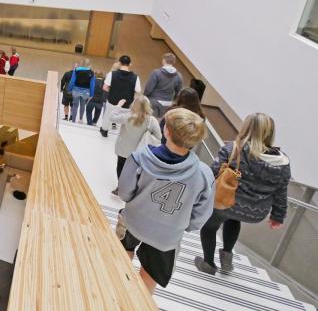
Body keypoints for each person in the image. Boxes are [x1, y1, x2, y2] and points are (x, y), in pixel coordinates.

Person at [118, 108, 214, 292]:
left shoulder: (140, 157)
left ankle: (116, 290)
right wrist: (184, 224)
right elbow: (200, 216)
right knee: (149, 278)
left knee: (121, 257)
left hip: (133, 222)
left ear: (166, 131)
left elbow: (124, 194)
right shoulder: (204, 174)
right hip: (167, 237)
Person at [195, 113, 291, 275]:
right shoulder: (282, 162)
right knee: (233, 219)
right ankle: (226, 259)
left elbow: (212, 172)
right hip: (255, 212)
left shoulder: (234, 149)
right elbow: (282, 191)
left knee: (210, 227)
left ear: (247, 128)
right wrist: (277, 216)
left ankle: (208, 264)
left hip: (225, 203)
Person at [109, 96, 161, 195]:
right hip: (139, 151)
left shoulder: (128, 116)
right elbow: (158, 136)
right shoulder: (151, 120)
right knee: (134, 171)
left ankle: (120, 187)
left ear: (134, 104)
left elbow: (112, 117)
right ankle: (132, 188)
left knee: (120, 167)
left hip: (123, 148)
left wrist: (118, 107)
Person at [100, 55, 141, 137]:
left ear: (119, 63)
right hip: (126, 103)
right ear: (130, 64)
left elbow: (105, 87)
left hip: (112, 100)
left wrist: (112, 91)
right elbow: (138, 91)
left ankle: (104, 131)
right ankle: (120, 134)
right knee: (123, 118)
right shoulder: (135, 77)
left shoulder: (112, 74)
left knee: (108, 116)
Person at [144, 53, 183, 118]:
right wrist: (173, 100)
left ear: (164, 60)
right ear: (173, 62)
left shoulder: (156, 73)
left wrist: (145, 95)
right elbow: (179, 92)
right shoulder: (179, 76)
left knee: (152, 122)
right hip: (168, 103)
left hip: (154, 102)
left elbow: (148, 89)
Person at [67, 59, 96, 123]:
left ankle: (73, 120)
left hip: (76, 90)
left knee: (75, 105)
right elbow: (92, 84)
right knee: (83, 105)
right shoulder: (92, 72)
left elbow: (72, 81)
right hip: (86, 92)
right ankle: (80, 119)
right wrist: (91, 94)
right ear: (89, 65)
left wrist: (69, 89)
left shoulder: (76, 70)